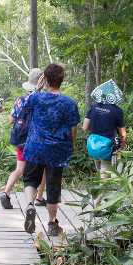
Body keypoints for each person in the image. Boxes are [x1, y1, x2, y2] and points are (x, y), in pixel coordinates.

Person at [20, 63, 80, 237]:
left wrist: (38, 89)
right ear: (62, 80)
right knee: (53, 186)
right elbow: (73, 128)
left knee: (30, 180)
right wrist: (71, 145)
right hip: (57, 150)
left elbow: (23, 110)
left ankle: (30, 205)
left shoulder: (35, 98)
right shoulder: (69, 103)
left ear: (44, 79)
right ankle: (52, 223)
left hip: (35, 148)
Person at [0, 67, 44, 209]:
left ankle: (6, 193)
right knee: (42, 169)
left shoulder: (20, 100)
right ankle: (39, 198)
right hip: (36, 141)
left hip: (21, 140)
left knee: (19, 169)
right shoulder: (42, 100)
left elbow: (11, 120)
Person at [83, 79, 127, 177]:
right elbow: (122, 133)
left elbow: (84, 127)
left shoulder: (93, 107)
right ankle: (104, 185)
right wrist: (122, 146)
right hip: (106, 146)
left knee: (100, 170)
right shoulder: (117, 111)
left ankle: (101, 182)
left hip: (92, 145)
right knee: (105, 172)